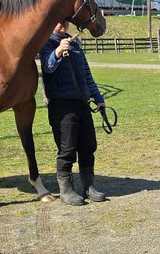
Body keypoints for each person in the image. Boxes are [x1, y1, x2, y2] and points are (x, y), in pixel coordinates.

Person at [39, 23, 108, 206]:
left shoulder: (75, 45)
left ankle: (88, 186)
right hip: (61, 105)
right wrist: (58, 52)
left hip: (82, 103)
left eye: (65, 20)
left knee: (88, 146)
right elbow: (47, 67)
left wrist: (98, 98)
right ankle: (66, 191)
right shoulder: (46, 43)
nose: (63, 24)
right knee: (67, 149)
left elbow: (87, 75)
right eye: (58, 20)